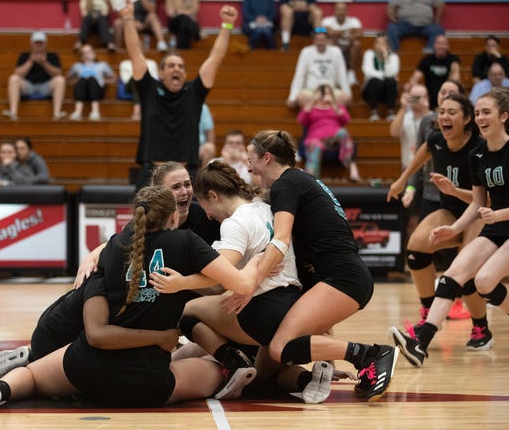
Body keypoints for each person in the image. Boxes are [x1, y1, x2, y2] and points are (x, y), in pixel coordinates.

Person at [0, 186, 262, 409]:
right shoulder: (186, 242)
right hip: (146, 382)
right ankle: (230, 368)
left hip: (86, 369)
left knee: (32, 375)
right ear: (173, 216)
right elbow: (238, 285)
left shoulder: (113, 248)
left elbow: (97, 334)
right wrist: (269, 253)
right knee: (210, 369)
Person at [154, 130, 400, 402]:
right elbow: (311, 295)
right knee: (269, 366)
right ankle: (317, 374)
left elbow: (277, 241)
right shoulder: (273, 201)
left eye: (252, 160)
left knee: (192, 313)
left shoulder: (282, 187)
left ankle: (371, 354)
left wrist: (248, 283)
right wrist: (328, 361)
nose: (249, 167)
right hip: (316, 285)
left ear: (267, 158)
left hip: (327, 283)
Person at [0, 162, 222, 375]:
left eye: (187, 184)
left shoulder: (204, 217)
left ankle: (230, 356)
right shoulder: (137, 232)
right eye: (176, 187)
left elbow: (221, 278)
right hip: (87, 322)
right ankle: (37, 359)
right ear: (158, 194)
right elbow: (117, 245)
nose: (184, 191)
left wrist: (187, 283)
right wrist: (93, 256)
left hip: (172, 295)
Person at [155, 161, 339, 403]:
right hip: (294, 308)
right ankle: (310, 379)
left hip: (260, 313)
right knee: (262, 379)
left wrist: (181, 283)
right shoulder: (268, 210)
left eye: (206, 205)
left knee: (185, 312)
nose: (208, 214)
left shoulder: (234, 223)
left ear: (213, 195)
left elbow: (219, 279)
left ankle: (233, 361)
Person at [389, 88, 509, 365]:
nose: (481, 118)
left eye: (486, 112)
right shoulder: (478, 155)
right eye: (478, 113)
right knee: (452, 276)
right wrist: (454, 229)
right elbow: (477, 204)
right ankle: (420, 344)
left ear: (504, 116)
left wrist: (498, 215)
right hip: (494, 227)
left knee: (484, 281)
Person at [386, 93, 490, 351]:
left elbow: (484, 199)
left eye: (452, 112)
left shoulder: (479, 148)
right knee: (416, 247)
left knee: (466, 268)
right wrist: (403, 180)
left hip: (479, 211)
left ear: (467, 119)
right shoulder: (436, 138)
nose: (444, 116)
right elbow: (424, 150)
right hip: (450, 209)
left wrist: (454, 190)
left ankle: (481, 327)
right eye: (442, 111)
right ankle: (429, 310)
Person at [122, 0, 238, 190]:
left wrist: (226, 25)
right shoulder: (148, 89)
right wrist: (127, 19)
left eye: (181, 66)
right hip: (152, 173)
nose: (177, 69)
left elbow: (216, 58)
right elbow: (135, 52)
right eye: (171, 65)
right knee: (144, 220)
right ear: (161, 73)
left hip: (187, 175)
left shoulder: (194, 92)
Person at [389, 84, 430, 244]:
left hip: (430, 172)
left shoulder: (433, 117)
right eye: (414, 97)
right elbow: (393, 132)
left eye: (420, 97)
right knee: (411, 216)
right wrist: (402, 108)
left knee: (428, 216)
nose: (417, 101)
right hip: (409, 172)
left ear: (427, 98)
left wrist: (426, 110)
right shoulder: (404, 118)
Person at [297, 84, 361, 182]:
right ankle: (311, 180)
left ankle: (351, 166)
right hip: (316, 140)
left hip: (334, 140)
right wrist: (312, 101)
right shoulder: (311, 108)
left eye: (326, 93)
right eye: (320, 93)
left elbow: (346, 119)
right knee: (315, 145)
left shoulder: (337, 107)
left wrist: (333, 103)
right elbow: (301, 120)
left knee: (343, 132)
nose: (323, 96)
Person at [2, 31, 66, 122]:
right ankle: (13, 112)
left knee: (60, 80)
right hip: (28, 86)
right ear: (32, 43)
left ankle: (57, 114)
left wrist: (45, 63)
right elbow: (18, 73)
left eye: (41, 42)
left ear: (45, 43)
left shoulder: (52, 56)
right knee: (13, 79)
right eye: (36, 42)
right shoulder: (24, 56)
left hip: (46, 87)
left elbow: (58, 73)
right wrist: (30, 61)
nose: (39, 45)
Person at [286, 27, 352, 109]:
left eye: (323, 39)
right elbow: (299, 76)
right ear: (313, 40)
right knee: (301, 98)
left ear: (327, 40)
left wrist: (348, 94)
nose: (320, 42)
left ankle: (330, 119)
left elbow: (342, 75)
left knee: (343, 98)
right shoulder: (306, 52)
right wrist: (292, 97)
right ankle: (316, 118)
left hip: (331, 89)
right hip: (311, 90)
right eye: (318, 39)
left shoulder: (336, 52)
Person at [405, 34, 460, 109]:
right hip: (429, 96)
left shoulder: (453, 60)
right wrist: (410, 87)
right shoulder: (426, 60)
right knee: (412, 89)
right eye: (438, 43)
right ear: (434, 45)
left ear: (448, 46)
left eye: (443, 44)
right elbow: (415, 78)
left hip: (446, 96)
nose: (440, 46)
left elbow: (455, 80)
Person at [67, 44, 116, 121]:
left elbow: (114, 78)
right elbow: (68, 79)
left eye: (90, 51)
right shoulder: (77, 66)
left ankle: (95, 111)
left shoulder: (102, 65)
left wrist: (103, 81)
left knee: (92, 79)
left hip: (97, 90)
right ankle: (78, 112)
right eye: (86, 52)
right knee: (83, 80)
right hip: (82, 90)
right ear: (81, 56)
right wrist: (76, 81)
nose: (89, 53)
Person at [321, 2, 363, 87]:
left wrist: (336, 34)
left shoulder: (354, 20)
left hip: (349, 47)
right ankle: (331, 75)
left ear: (347, 11)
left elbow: (359, 34)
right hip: (335, 46)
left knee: (356, 44)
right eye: (339, 9)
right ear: (334, 11)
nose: (341, 12)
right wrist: (346, 33)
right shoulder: (326, 20)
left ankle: (351, 74)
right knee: (328, 43)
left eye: (343, 9)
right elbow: (326, 32)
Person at [361, 34, 400, 122]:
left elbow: (391, 72)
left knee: (391, 81)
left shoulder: (393, 57)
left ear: (387, 45)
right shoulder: (369, 54)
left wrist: (386, 56)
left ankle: (390, 112)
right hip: (371, 90)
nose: (380, 46)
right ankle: (374, 112)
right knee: (374, 81)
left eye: (383, 43)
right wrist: (383, 76)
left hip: (387, 91)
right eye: (378, 43)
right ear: (374, 45)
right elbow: (368, 72)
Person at [198, 103, 216, 167]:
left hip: (198, 147)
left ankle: (204, 176)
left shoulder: (202, 107)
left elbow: (210, 134)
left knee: (209, 148)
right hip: (178, 146)